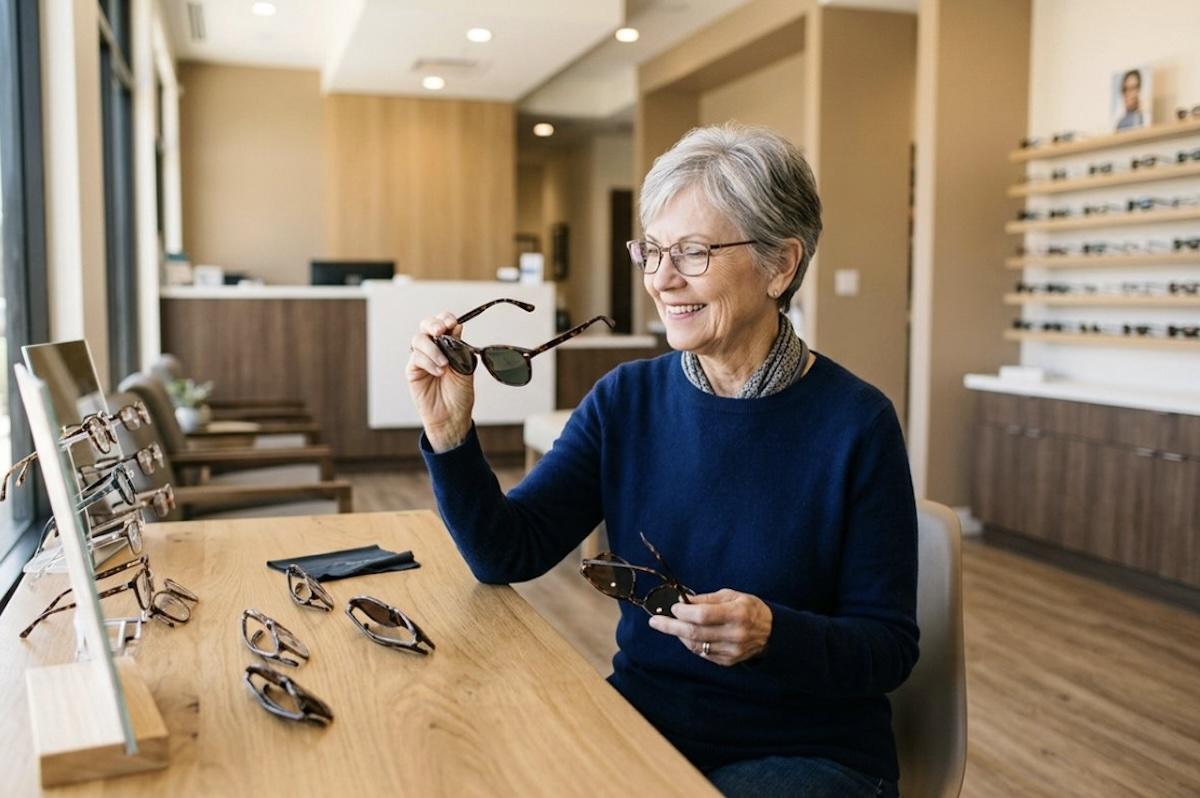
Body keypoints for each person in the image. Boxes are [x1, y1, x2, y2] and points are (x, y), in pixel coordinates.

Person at [407, 124, 918, 798]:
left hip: (808, 751)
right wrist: (450, 436)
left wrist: (773, 634)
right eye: (650, 251)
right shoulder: (626, 400)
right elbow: (508, 553)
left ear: (782, 265)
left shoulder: (858, 423)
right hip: (645, 723)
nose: (660, 278)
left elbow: (887, 648)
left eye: (694, 252)